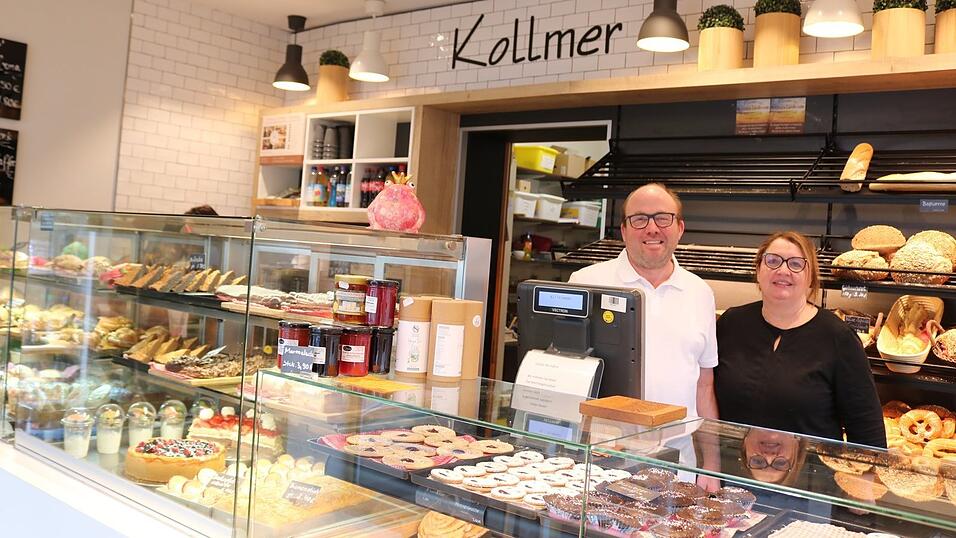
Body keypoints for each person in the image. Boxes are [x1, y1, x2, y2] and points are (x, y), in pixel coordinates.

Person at [568, 184, 720, 490]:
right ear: (624, 231)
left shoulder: (700, 293)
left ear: (679, 228)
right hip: (602, 461)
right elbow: (566, 376)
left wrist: (712, 466)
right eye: (639, 219)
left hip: (679, 463)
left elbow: (704, 386)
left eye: (663, 218)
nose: (652, 228)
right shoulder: (585, 282)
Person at [715, 231, 886, 448]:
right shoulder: (731, 323)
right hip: (733, 463)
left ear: (810, 277)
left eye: (796, 264)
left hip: (812, 468)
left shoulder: (838, 337)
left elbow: (867, 431)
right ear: (758, 270)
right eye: (773, 261)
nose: (783, 270)